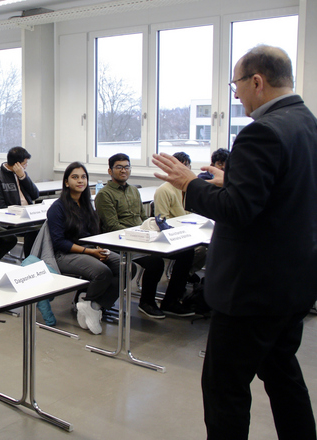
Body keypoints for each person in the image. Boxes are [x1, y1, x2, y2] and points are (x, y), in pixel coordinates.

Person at [153, 45, 317, 440]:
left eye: (237, 86)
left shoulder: (261, 131)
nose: (237, 95)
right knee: (282, 375)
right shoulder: (306, 123)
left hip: (251, 292)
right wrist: (233, 183)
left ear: (257, 81)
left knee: (225, 389)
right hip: (293, 284)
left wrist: (190, 184)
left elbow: (239, 211)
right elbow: (287, 192)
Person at [95, 153, 194, 318]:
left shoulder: (134, 190)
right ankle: (146, 302)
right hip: (121, 241)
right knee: (155, 262)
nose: (123, 170)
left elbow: (142, 218)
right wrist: (139, 234)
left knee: (186, 252)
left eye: (127, 167)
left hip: (142, 236)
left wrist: (148, 231)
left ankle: (171, 300)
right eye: (119, 167)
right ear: (110, 171)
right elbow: (112, 226)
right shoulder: (105, 194)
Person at [47, 162, 119, 334]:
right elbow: (59, 242)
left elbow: (95, 232)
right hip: (65, 254)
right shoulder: (58, 208)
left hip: (89, 250)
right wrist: (90, 251)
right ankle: (90, 302)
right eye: (75, 177)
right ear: (66, 182)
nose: (80, 181)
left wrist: (99, 249)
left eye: (83, 177)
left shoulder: (87, 204)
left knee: (125, 266)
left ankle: (93, 305)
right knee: (103, 272)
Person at [154, 152, 206, 283]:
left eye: (186, 167)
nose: (184, 171)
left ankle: (187, 272)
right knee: (198, 250)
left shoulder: (190, 189)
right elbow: (161, 220)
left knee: (207, 247)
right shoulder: (164, 190)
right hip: (174, 235)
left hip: (191, 232)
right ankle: (181, 275)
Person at [0, 146, 40, 257]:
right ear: (17, 164)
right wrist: (20, 213)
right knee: (33, 230)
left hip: (29, 216)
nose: (26, 167)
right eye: (25, 164)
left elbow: (35, 194)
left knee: (45, 227)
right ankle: (29, 262)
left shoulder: (22, 174)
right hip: (11, 221)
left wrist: (23, 177)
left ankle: (41, 259)